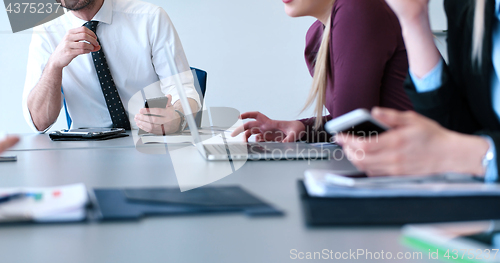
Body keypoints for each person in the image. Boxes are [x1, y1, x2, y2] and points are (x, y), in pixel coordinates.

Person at [336, 0, 500, 181]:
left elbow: (459, 149)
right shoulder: (466, 5)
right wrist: (413, 20)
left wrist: (450, 153)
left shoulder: (353, 11)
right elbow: (461, 133)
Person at [232, 0, 413, 143]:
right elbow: (356, 122)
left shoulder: (357, 8)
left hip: (418, 170)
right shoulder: (317, 35)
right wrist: (303, 128)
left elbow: (352, 129)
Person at [23, 0, 201, 135]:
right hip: (86, 154)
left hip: (150, 141)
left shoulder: (150, 18)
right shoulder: (46, 32)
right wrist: (54, 65)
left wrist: (178, 117)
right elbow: (39, 123)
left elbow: (185, 92)